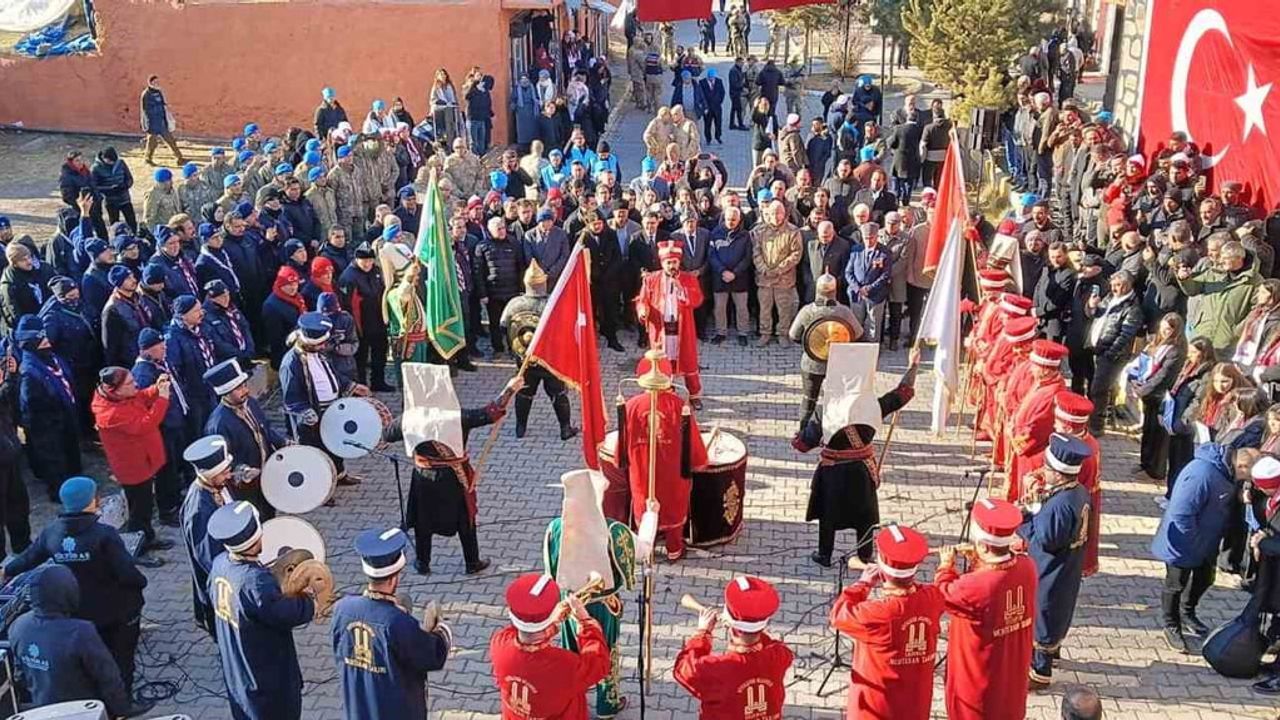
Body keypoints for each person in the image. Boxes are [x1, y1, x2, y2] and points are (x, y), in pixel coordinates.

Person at [4, 477, 151, 694]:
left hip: (77, 612)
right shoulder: (104, 535)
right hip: (114, 612)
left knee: (91, 661)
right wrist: (140, 585)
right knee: (121, 661)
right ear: (93, 500)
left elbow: (30, 557)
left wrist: (7, 571)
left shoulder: (52, 532)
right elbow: (127, 573)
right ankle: (123, 703)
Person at [795, 350, 919, 566]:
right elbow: (903, 393)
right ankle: (864, 555)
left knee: (828, 513)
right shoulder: (873, 406)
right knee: (865, 515)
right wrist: (913, 366)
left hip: (832, 472)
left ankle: (825, 555)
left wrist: (803, 421)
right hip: (862, 471)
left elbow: (802, 445)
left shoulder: (826, 411)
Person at [207, 500, 316, 720]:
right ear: (256, 538)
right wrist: (310, 599)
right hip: (265, 678)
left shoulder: (220, 563)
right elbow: (287, 614)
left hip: (238, 670)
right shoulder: (255, 582)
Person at [331, 527, 453, 719]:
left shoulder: (341, 609)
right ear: (395, 576)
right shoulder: (398, 623)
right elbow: (435, 655)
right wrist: (439, 628)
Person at [400, 376, 519, 575]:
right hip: (453, 478)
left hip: (423, 477)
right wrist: (509, 389)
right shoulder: (457, 418)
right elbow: (490, 413)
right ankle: (472, 562)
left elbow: (387, 434)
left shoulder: (409, 419)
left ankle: (423, 562)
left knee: (424, 519)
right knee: (465, 519)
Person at [543, 469, 636, 718]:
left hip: (569, 603)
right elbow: (641, 553)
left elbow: (551, 573)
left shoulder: (554, 529)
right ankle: (607, 703)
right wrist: (651, 516)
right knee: (605, 650)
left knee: (569, 652)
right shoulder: (615, 532)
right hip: (603, 606)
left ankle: (573, 700)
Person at [935, 498, 1037, 720]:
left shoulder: (975, 585)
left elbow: (942, 593)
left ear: (982, 545)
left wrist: (945, 566)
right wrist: (978, 563)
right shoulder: (1027, 567)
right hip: (1013, 677)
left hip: (978, 684)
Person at [829, 524, 944, 720]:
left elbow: (838, 615)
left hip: (878, 707)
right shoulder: (932, 598)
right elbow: (927, 589)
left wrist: (863, 584)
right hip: (915, 702)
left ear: (882, 572)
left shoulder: (878, 612)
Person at [8, 565, 154, 719]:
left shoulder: (18, 625)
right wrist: (122, 708)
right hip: (84, 711)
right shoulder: (80, 632)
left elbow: (20, 676)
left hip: (43, 711)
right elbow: (108, 677)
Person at [1151, 442, 1244, 652]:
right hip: (1182, 542)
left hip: (1206, 541)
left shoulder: (1227, 472)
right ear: (1241, 466)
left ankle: (1187, 611)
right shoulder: (1201, 475)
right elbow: (1182, 514)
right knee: (1176, 584)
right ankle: (1171, 624)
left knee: (1205, 578)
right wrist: (1194, 543)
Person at [1018, 433, 1093, 687]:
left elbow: (1045, 539)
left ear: (1059, 473)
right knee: (1057, 612)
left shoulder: (1061, 504)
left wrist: (1024, 519)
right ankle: (1053, 652)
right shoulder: (1077, 491)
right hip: (1067, 569)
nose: (1043, 470)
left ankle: (1040, 672)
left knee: (1044, 614)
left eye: (1047, 468)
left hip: (1051, 571)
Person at [489, 572, 611, 718]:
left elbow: (523, 631)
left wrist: (549, 625)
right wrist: (586, 622)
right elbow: (599, 664)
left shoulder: (498, 643)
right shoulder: (565, 664)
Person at [673, 575, 794, 718]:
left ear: (730, 626)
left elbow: (683, 669)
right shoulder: (779, 656)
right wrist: (748, 627)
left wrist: (703, 633)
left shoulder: (717, 669)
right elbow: (775, 646)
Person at [91, 366, 174, 557]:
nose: (134, 384)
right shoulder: (109, 413)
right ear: (115, 390)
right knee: (138, 511)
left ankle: (148, 537)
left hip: (144, 460)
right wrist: (162, 398)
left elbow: (141, 396)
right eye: (129, 383)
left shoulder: (122, 396)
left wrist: (156, 388)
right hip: (133, 467)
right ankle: (137, 549)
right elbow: (146, 423)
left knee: (145, 506)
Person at [280, 312, 369, 488]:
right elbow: (291, 398)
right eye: (319, 344)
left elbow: (331, 376)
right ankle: (322, 487)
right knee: (317, 453)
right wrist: (307, 413)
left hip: (331, 409)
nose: (323, 346)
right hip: (313, 416)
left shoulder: (318, 353)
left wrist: (351, 386)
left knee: (334, 446)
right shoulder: (291, 363)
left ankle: (339, 475)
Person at [204, 358, 287, 518]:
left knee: (269, 515)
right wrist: (240, 470)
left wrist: (282, 442)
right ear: (226, 393)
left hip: (264, 478)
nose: (245, 391)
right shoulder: (218, 424)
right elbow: (221, 460)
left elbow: (265, 429)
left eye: (244, 385)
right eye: (239, 388)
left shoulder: (250, 403)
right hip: (244, 490)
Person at [15, 315, 83, 501]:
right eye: (41, 339)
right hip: (47, 425)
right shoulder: (30, 373)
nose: (47, 341)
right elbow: (32, 405)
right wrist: (55, 417)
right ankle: (59, 491)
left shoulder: (51, 358)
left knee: (70, 453)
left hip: (65, 416)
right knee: (54, 459)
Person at [636, 240, 706, 408]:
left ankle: (694, 395)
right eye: (668, 263)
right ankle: (665, 391)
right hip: (661, 330)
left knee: (688, 361)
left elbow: (697, 300)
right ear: (662, 263)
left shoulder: (688, 279)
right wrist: (642, 310)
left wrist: (681, 289)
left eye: (674, 262)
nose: (672, 266)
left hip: (682, 329)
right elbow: (642, 300)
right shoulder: (651, 279)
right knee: (662, 362)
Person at [790, 273, 863, 429]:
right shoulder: (844, 311)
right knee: (836, 400)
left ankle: (802, 433)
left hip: (812, 362)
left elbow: (793, 335)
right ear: (834, 291)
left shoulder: (807, 311)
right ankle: (833, 433)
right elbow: (857, 334)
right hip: (838, 364)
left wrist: (811, 344)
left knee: (809, 399)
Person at [180, 434, 234, 636]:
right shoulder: (199, 509)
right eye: (224, 473)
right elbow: (207, 557)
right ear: (210, 474)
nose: (229, 476)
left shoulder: (217, 485)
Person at [1006, 340, 1068, 501]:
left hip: (1034, 454)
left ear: (1046, 369)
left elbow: (1036, 429)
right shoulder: (1042, 383)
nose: (1031, 369)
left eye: (1035, 366)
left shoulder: (1052, 393)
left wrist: (1014, 434)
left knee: (1028, 493)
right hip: (1025, 449)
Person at [1085, 270, 1142, 434]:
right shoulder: (1109, 298)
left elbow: (1125, 335)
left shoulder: (1132, 308)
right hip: (1097, 348)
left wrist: (1110, 353)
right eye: (1112, 285)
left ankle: (1096, 426)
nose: (1114, 288)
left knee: (1099, 389)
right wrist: (1091, 306)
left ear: (1127, 285)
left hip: (1111, 355)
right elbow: (1094, 315)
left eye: (1117, 285)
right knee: (1097, 387)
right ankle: (1098, 420)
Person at [337, 243, 392, 390]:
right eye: (364, 260)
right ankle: (361, 385)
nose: (368, 263)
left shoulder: (376, 271)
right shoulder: (348, 277)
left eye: (370, 260)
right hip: (360, 324)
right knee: (360, 358)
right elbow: (347, 305)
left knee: (380, 353)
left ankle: (378, 382)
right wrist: (353, 328)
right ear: (357, 259)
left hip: (378, 320)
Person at [752, 199, 803, 348]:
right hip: (764, 279)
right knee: (765, 309)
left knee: (784, 309)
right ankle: (765, 333)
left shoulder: (793, 231)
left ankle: (783, 334)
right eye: (773, 213)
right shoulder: (759, 231)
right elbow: (756, 252)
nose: (776, 215)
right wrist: (764, 269)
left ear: (784, 213)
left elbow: (796, 254)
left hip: (784, 279)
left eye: (779, 212)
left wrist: (779, 269)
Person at [708, 205, 753, 346]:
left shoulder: (746, 235)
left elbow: (748, 257)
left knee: (741, 308)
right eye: (728, 219)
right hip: (719, 277)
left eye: (734, 220)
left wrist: (735, 273)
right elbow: (711, 256)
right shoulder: (715, 234)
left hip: (739, 278)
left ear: (739, 219)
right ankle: (721, 332)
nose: (731, 222)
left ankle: (743, 333)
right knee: (720, 307)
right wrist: (723, 271)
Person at [845, 221, 892, 343]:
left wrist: (869, 288)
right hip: (857, 294)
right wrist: (857, 288)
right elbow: (848, 272)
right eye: (866, 238)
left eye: (871, 238)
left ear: (877, 237)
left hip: (875, 294)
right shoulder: (856, 250)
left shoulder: (884, 252)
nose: (868, 241)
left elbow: (885, 275)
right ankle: (856, 345)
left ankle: (873, 347)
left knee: (874, 324)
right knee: (856, 321)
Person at [140, 75, 185, 165]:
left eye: (158, 82)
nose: (157, 84)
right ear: (150, 83)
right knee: (152, 144)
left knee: (170, 140)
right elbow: (144, 111)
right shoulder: (146, 94)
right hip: (152, 123)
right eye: (155, 82)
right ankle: (148, 159)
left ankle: (179, 158)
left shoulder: (159, 92)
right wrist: (147, 124)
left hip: (162, 122)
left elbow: (163, 105)